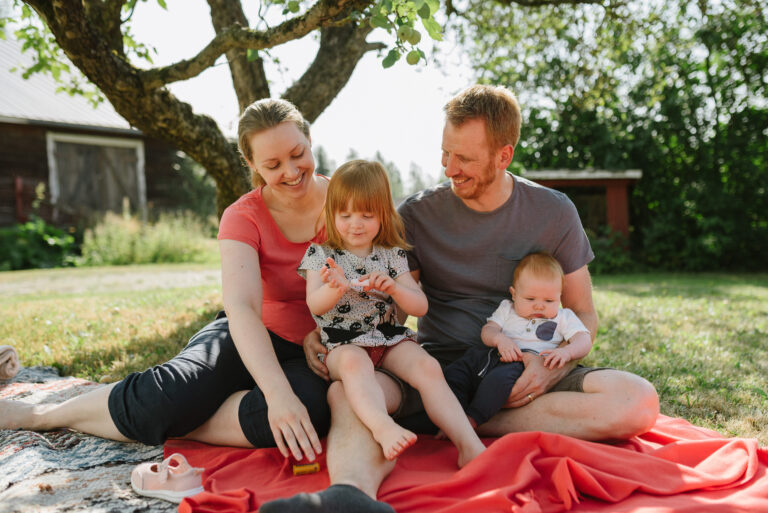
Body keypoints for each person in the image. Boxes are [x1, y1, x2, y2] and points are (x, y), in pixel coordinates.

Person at [261, 84, 659, 513]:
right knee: (349, 392)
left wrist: (548, 369)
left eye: (464, 158)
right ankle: (349, 495)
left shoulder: (553, 212)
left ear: (503, 156)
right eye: (445, 152)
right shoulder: (417, 214)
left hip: (524, 364)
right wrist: (329, 330)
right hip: (438, 368)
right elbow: (392, 307)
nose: (449, 167)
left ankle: (465, 421)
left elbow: (582, 313)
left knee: (637, 400)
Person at [0, 98, 334, 464]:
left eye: (297, 154)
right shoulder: (243, 216)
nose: (291, 171)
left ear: (309, 139)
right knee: (173, 394)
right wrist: (277, 393)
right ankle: (44, 415)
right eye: (273, 165)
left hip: (311, 352)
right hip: (245, 334)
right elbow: (242, 308)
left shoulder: (349, 203)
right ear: (251, 164)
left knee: (311, 414)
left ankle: (181, 420)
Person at [299, 160, 485, 466]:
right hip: (342, 344)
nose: (355, 224)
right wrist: (336, 288)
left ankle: (468, 444)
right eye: (345, 215)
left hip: (387, 338)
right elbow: (314, 304)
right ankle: (382, 428)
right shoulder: (321, 255)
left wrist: (397, 290)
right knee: (355, 364)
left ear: (383, 214)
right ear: (331, 213)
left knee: (427, 367)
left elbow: (420, 306)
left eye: (366, 215)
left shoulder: (391, 255)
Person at [443, 251, 592, 430]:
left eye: (549, 300)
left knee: (498, 382)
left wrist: (567, 351)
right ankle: (451, 415)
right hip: (488, 355)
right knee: (455, 373)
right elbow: (488, 330)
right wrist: (499, 339)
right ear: (514, 294)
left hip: (521, 364)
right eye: (530, 299)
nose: (539, 306)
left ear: (559, 297)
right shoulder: (507, 308)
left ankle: (472, 419)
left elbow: (584, 340)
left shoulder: (563, 317)